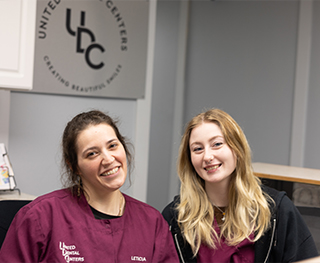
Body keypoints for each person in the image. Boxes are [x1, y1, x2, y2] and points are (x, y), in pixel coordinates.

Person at [0, 110, 179, 263]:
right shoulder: (40, 216)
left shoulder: (152, 222)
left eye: (113, 146)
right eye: (92, 154)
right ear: (74, 166)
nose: (108, 159)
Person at [162, 108, 318, 263]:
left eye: (217, 144)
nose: (207, 156)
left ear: (236, 149)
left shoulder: (277, 210)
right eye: (197, 149)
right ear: (189, 159)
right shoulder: (175, 218)